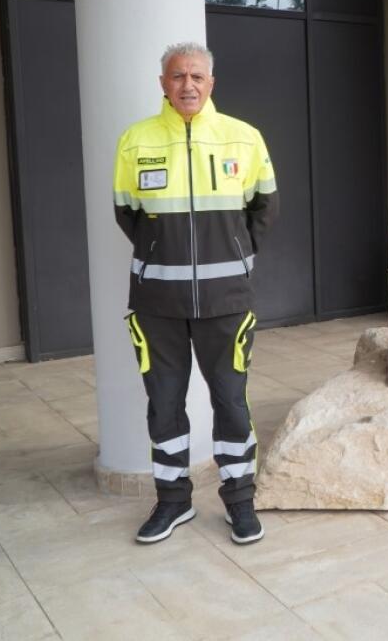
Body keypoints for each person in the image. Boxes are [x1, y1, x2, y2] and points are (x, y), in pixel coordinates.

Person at [113, 42, 278, 544]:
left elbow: (264, 210)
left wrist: (235, 259)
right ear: (162, 83)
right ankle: (172, 503)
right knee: (163, 404)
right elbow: (127, 212)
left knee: (231, 401)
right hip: (157, 304)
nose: (188, 84)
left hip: (226, 302)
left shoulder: (243, 139)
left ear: (211, 83)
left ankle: (240, 502)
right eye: (178, 75)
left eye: (197, 76)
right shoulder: (135, 141)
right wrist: (161, 257)